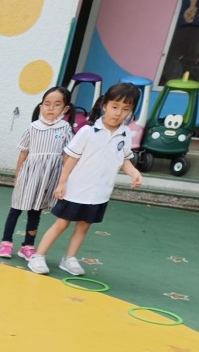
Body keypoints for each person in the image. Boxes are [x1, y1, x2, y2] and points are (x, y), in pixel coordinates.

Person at [28, 82, 143, 276]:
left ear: (131, 111)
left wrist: (134, 173)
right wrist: (62, 183)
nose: (118, 113)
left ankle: (69, 258)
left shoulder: (125, 133)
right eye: (115, 107)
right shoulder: (88, 132)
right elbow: (70, 159)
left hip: (99, 193)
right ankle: (38, 256)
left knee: (83, 226)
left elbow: (124, 159)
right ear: (105, 105)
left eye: (125, 109)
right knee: (62, 223)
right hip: (76, 189)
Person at [0, 87, 73, 260]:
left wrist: (64, 180)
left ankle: (28, 245)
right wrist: (18, 176)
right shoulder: (33, 128)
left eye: (57, 104)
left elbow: (67, 156)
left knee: (36, 211)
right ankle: (6, 242)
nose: (51, 108)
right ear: (41, 106)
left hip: (49, 178)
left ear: (65, 108)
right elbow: (23, 153)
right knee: (16, 208)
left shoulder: (65, 129)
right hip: (29, 175)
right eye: (47, 104)